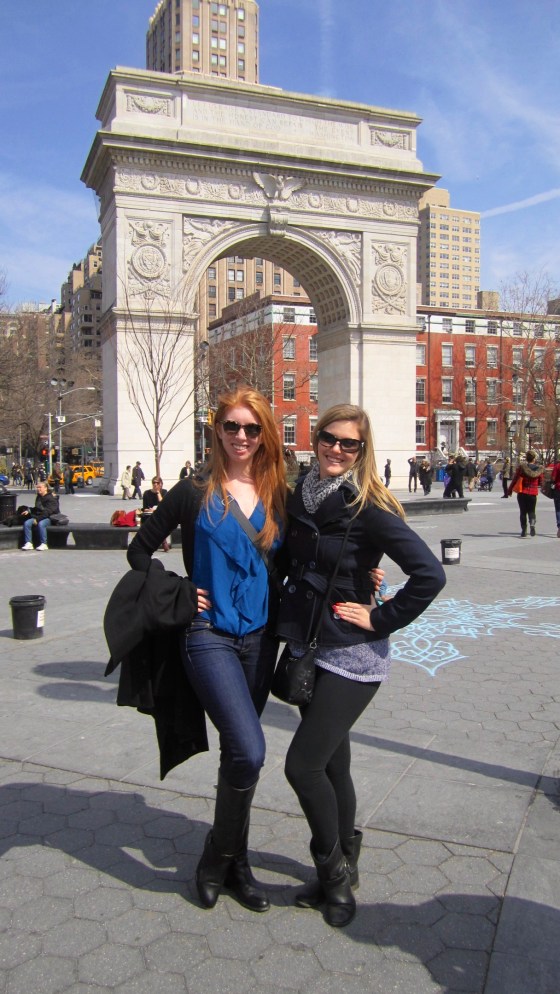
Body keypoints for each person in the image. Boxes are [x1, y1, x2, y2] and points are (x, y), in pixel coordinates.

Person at [275, 404, 446, 928]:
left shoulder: (368, 507)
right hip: (307, 646)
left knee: (301, 766)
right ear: (316, 437)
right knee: (332, 765)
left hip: (352, 652)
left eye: (349, 444)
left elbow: (429, 575)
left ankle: (330, 875)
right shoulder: (296, 495)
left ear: (361, 452)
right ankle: (346, 860)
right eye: (330, 438)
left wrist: (382, 618)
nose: (337, 450)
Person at [127, 386, 287, 913]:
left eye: (251, 428)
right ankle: (216, 857)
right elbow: (139, 548)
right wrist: (175, 592)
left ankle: (235, 864)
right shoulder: (193, 489)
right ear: (215, 430)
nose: (241, 436)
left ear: (264, 433)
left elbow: (320, 547)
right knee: (252, 748)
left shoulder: (278, 489)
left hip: (259, 641)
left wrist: (368, 572)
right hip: (208, 635)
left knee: (238, 754)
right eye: (231, 426)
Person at [507, 450, 543, 537]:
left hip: (522, 492)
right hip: (533, 493)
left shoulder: (522, 468)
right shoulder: (539, 469)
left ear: (526, 458)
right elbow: (541, 482)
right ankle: (532, 524)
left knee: (523, 512)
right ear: (534, 459)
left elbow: (515, 478)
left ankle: (524, 530)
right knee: (532, 511)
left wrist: (510, 490)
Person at [20, 481, 60, 550]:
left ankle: (44, 543)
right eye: (37, 487)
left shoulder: (51, 498)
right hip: (39, 516)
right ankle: (28, 543)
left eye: (40, 487)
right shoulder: (38, 497)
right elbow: (37, 508)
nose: (38, 489)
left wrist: (37, 519)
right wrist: (29, 510)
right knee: (27, 523)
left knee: (41, 524)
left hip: (50, 517)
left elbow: (48, 512)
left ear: (45, 488)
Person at [142, 475, 171, 551]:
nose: (155, 485)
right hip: (149, 515)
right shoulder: (147, 493)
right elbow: (144, 508)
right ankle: (163, 542)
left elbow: (163, 504)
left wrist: (158, 493)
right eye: (154, 483)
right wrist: (149, 510)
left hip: (160, 515)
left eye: (157, 483)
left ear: (161, 484)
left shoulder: (164, 492)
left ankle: (162, 542)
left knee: (161, 522)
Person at [549, 460, 560, 538]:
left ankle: (559, 526)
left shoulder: (557, 466)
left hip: (558, 489)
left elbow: (553, 478)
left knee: (558, 509)